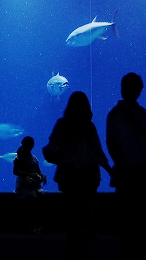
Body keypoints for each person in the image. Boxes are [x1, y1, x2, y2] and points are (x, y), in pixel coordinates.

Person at [45, 91, 112, 258]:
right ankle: (84, 241)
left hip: (69, 173)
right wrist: (110, 170)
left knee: (72, 210)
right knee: (86, 207)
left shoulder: (63, 124)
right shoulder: (88, 126)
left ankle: (73, 242)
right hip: (87, 173)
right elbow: (97, 152)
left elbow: (52, 146)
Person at [106, 72, 146, 259]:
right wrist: (120, 163)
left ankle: (140, 244)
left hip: (141, 166)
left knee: (141, 208)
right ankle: (128, 244)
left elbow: (144, 138)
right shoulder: (115, 114)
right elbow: (110, 142)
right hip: (128, 168)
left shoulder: (141, 112)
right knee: (127, 209)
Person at [13, 135, 47, 233]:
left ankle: (40, 223)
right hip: (23, 186)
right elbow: (15, 172)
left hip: (34, 185)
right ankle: (31, 224)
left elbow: (38, 172)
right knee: (32, 197)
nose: (28, 147)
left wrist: (43, 176)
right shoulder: (18, 158)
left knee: (42, 195)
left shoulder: (34, 158)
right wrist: (30, 175)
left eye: (30, 146)